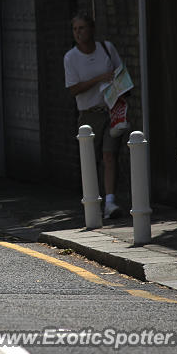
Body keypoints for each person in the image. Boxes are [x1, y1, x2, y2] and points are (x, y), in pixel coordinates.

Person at [64, 13, 122, 219]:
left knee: (109, 156)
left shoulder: (107, 49)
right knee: (91, 161)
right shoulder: (71, 58)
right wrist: (99, 78)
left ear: (92, 29)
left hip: (110, 110)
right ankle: (93, 202)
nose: (78, 33)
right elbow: (73, 89)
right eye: (75, 29)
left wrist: (123, 103)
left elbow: (120, 75)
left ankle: (110, 202)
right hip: (88, 116)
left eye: (82, 28)